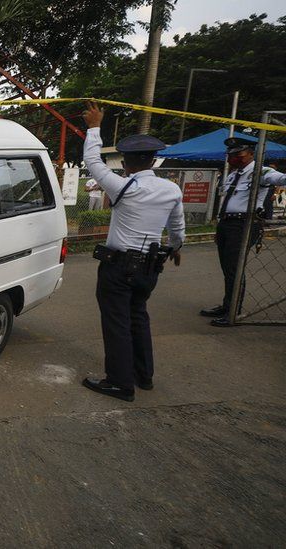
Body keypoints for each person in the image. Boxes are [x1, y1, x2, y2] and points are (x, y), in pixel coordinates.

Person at [80, 102, 185, 402]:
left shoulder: (122, 187)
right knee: (138, 317)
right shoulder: (171, 190)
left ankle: (119, 382)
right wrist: (176, 248)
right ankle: (144, 375)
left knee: (117, 323)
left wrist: (94, 127)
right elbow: (176, 227)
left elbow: (92, 161)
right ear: (152, 161)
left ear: (125, 162)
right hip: (149, 268)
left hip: (119, 268)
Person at [199, 138, 286, 326]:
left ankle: (233, 311)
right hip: (227, 224)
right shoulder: (233, 174)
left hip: (243, 224)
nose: (234, 158)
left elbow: (280, 179)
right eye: (231, 155)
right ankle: (227, 304)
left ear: (251, 153)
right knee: (227, 267)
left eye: (239, 154)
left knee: (234, 268)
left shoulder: (261, 172)